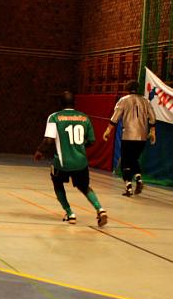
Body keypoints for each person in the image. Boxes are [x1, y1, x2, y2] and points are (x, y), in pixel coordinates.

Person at [34, 90, 108, 227]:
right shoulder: (84, 117)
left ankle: (70, 213)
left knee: (57, 184)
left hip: (62, 162)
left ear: (60, 103)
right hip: (81, 162)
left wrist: (40, 151)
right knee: (84, 187)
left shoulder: (54, 117)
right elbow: (92, 140)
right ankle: (100, 209)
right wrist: (78, 147)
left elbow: (49, 140)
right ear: (74, 102)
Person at [102, 80, 156, 196]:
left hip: (128, 136)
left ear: (127, 88)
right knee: (134, 159)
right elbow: (152, 117)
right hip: (142, 136)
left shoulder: (123, 100)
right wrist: (153, 132)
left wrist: (108, 131)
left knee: (126, 162)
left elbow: (115, 118)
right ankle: (139, 179)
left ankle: (128, 187)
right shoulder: (146, 101)